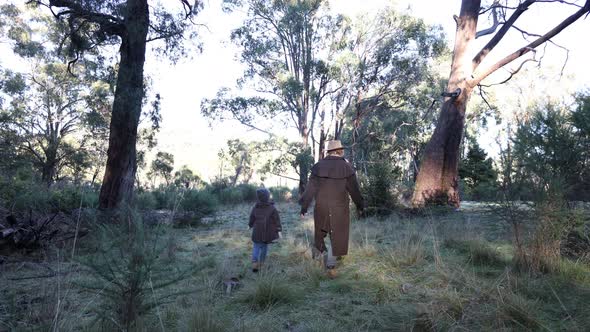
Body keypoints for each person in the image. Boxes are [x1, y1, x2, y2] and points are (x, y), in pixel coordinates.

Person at [299, 140, 364, 278]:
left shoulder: (318, 167)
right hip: (339, 209)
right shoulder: (347, 167)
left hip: (321, 207)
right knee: (337, 236)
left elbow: (310, 190)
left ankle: (319, 259)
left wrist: (304, 207)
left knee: (320, 234)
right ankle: (330, 266)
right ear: (340, 151)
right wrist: (360, 206)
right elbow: (355, 191)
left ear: (329, 152)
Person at [248, 188, 282, 272]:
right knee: (263, 248)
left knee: (256, 246)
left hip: (257, 231)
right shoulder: (272, 208)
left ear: (259, 197)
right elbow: (277, 220)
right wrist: (279, 230)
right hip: (266, 233)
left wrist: (250, 225)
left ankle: (255, 263)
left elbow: (252, 218)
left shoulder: (255, 207)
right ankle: (261, 263)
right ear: (267, 197)